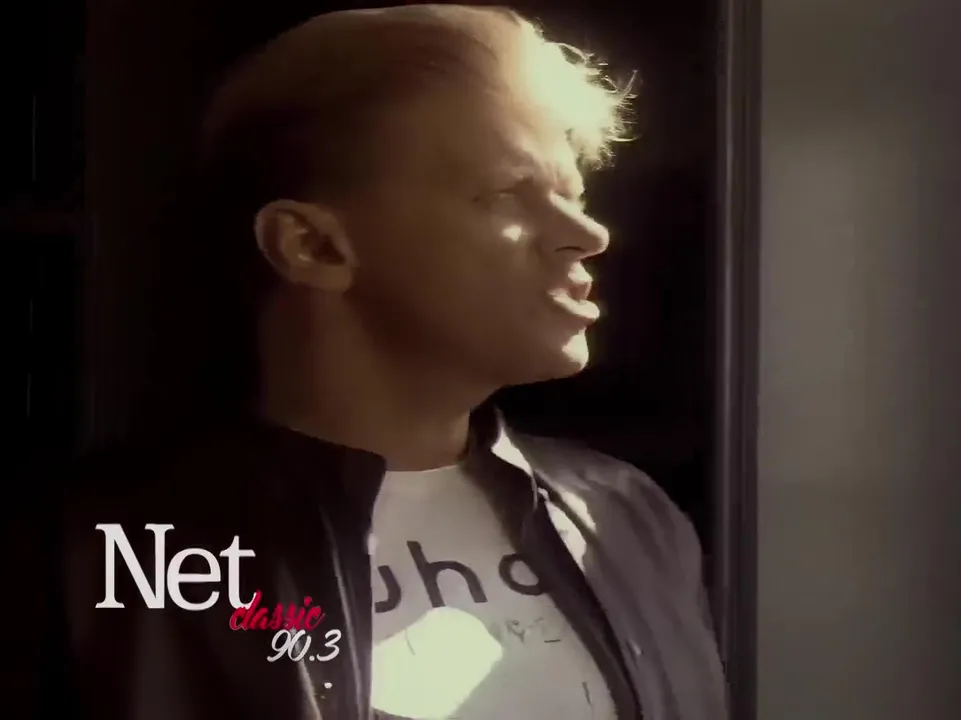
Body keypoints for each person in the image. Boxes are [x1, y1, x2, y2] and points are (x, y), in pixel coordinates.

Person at [24, 5, 726, 719]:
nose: (588, 234)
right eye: (505, 194)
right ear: (313, 245)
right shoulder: (98, 559)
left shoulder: (627, 517)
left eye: (573, 196)